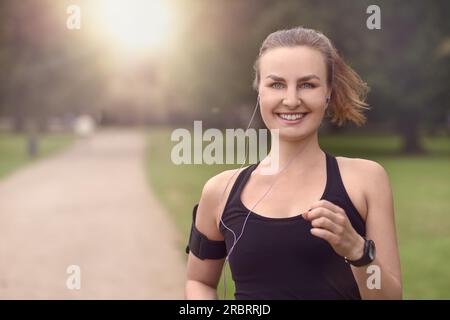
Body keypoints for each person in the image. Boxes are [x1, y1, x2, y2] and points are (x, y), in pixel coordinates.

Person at [185, 26, 402, 300]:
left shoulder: (367, 180)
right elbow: (198, 281)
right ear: (259, 92)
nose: (291, 100)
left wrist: (358, 251)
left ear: (328, 93)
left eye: (307, 84)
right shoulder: (220, 191)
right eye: (276, 84)